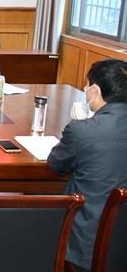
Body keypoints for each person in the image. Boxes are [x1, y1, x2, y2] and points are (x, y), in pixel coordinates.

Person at [47, 58, 127, 272]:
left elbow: (56, 165)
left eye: (87, 86)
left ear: (96, 91)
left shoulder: (82, 130)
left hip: (88, 244)